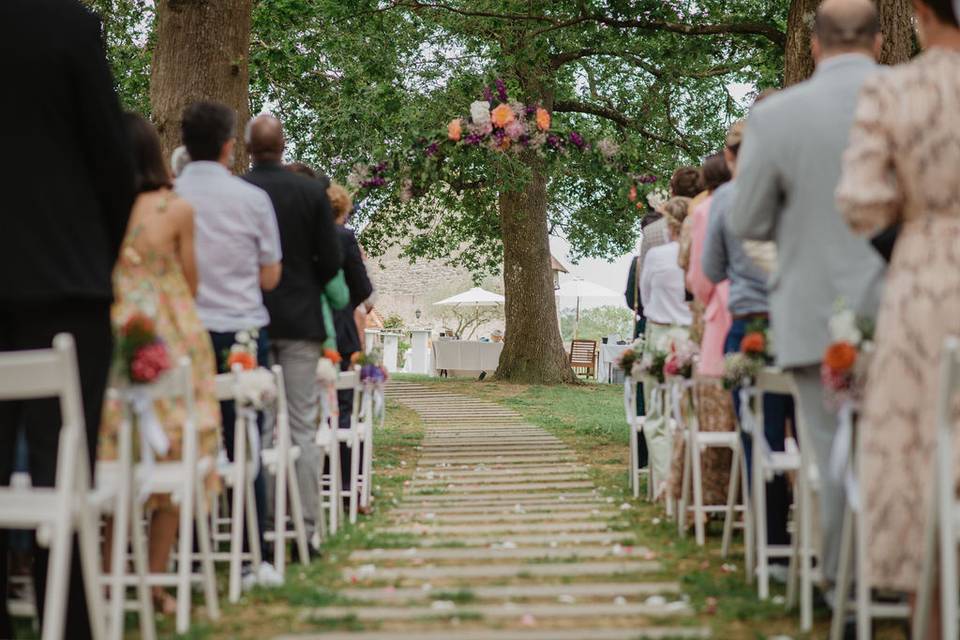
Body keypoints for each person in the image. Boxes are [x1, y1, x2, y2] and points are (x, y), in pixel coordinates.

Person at [729, 0, 885, 592]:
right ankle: (903, 575)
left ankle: (846, 588)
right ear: (877, 42)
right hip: (900, 310)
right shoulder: (912, 100)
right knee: (901, 452)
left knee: (827, 456)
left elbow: (747, 217)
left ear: (814, 44)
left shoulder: (778, 116)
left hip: (811, 310)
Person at [0, 1, 135, 636]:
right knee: (64, 462)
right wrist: (96, 257)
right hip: (63, 277)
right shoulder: (67, 24)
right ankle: (72, 621)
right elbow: (112, 159)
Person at [837, 0, 960, 616]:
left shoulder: (896, 89)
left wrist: (917, 229)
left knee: (920, 453)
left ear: (918, 11)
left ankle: (930, 617)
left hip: (928, 285)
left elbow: (860, 202)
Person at [98, 113, 221, 614]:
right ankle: (153, 581)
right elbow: (191, 282)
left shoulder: (96, 209)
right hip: (171, 340)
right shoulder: (175, 208)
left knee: (114, 461)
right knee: (175, 451)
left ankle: (105, 577)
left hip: (111, 336)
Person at [174, 100, 284, 588]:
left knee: (188, 440)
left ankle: (191, 557)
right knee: (247, 441)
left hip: (186, 333)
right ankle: (251, 556)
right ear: (227, 146)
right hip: (241, 329)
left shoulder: (169, 197)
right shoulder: (251, 200)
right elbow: (270, 274)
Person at [243, 114, 342, 547]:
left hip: (254, 319)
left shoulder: (241, 190)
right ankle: (308, 529)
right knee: (303, 427)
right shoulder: (309, 192)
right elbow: (331, 258)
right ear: (283, 147)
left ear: (248, 148)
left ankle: (261, 530)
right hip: (302, 321)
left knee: (260, 426)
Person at [703, 118, 793, 578]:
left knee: (762, 436)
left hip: (753, 326)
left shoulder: (725, 199)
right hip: (801, 323)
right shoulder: (797, 188)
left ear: (732, 156)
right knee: (816, 436)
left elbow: (712, 268)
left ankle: (774, 546)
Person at [639, 196, 693, 500]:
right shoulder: (697, 255)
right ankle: (688, 482)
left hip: (660, 333)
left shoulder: (657, 256)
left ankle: (663, 483)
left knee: (658, 414)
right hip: (688, 336)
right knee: (688, 411)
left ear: (669, 226)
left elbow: (645, 298)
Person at [328, 183, 375, 506]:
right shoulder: (344, 239)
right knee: (343, 408)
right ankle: (345, 485)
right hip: (340, 330)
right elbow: (363, 288)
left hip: (305, 330)